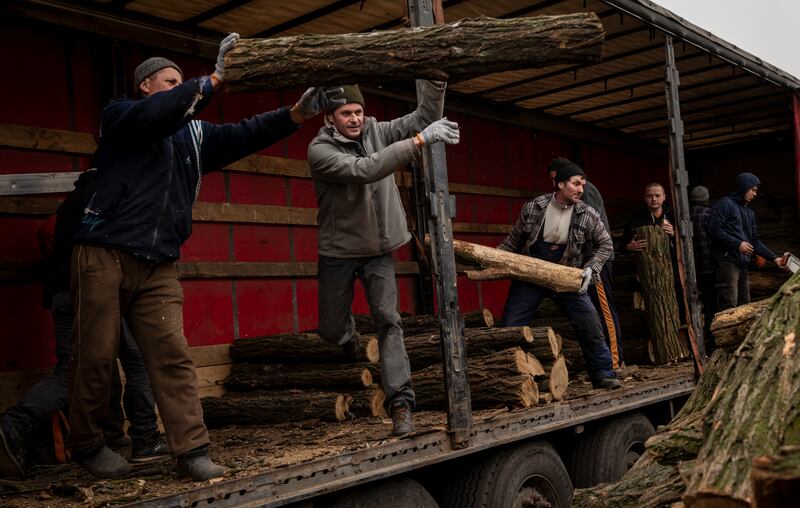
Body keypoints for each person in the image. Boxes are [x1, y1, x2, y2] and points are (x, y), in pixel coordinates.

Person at [67, 33, 343, 481]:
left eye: (183, 81)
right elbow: (164, 112)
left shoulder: (195, 136)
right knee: (95, 356)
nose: (181, 88)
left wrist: (296, 114)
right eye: (171, 81)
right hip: (104, 251)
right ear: (146, 86)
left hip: (158, 262)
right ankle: (89, 443)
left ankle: (191, 450)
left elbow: (244, 133)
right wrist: (212, 80)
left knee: (173, 355)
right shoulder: (122, 117)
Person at [307, 82, 460, 436]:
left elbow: (423, 117)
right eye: (346, 113)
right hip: (339, 251)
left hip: (379, 251)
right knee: (331, 329)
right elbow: (367, 169)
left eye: (358, 112)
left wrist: (435, 85)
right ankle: (348, 339)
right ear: (330, 118)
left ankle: (401, 405)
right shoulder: (320, 150)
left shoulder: (378, 129)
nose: (355, 118)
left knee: (389, 322)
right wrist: (420, 142)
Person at [0, 170, 166, 480]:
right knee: (125, 361)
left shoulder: (73, 202)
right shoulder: (112, 193)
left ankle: (114, 434)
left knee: (93, 365)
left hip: (63, 294)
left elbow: (45, 232)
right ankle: (144, 438)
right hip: (95, 291)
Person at [498, 161, 620, 389]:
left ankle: (603, 373)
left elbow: (606, 245)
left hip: (566, 276)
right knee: (512, 325)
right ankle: (507, 379)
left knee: (589, 321)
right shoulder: (535, 207)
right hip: (532, 274)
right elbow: (513, 240)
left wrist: (591, 268)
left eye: (582, 185)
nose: (581, 189)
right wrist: (492, 259)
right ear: (561, 184)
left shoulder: (587, 213)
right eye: (576, 184)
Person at [548, 158, 623, 370]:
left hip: (596, 261)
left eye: (556, 178)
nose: (555, 184)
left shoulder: (585, 191)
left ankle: (616, 361)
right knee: (595, 312)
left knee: (604, 311)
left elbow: (587, 228)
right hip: (586, 262)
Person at [707, 172, 787, 310]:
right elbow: (713, 230)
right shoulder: (725, 204)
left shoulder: (749, 212)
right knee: (728, 306)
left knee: (745, 306)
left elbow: (754, 240)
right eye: (753, 190)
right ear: (744, 188)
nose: (755, 194)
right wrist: (737, 244)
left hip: (742, 263)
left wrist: (775, 259)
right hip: (727, 261)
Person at [622, 182, 686, 321]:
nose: (654, 199)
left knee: (678, 302)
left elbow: (687, 245)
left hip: (673, 269)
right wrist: (630, 247)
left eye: (657, 195)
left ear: (664, 197)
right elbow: (622, 246)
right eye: (650, 196)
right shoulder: (636, 219)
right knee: (654, 310)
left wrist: (674, 234)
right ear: (644, 198)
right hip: (648, 272)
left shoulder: (674, 216)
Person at [689, 185, 716, 348]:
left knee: (693, 303)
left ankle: (695, 341)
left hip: (691, 269)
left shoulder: (684, 215)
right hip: (709, 266)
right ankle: (711, 340)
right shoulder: (709, 214)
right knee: (711, 304)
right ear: (706, 198)